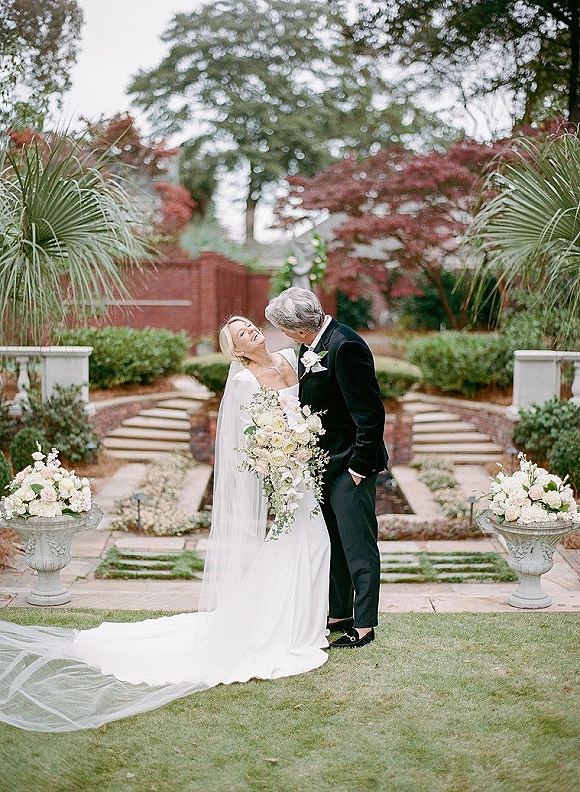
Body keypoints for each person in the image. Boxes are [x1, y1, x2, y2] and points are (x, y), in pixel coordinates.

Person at [0, 317, 330, 732]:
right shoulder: (245, 381)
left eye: (250, 324)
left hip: (309, 466)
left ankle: (305, 622)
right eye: (242, 332)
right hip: (285, 469)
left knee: (314, 540)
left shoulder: (291, 358)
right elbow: (248, 436)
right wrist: (277, 459)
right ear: (238, 351)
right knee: (303, 539)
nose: (252, 330)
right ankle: (287, 627)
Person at [265, 288, 389, 648]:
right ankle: (338, 613)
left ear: (298, 330)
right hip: (326, 462)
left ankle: (364, 625)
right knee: (334, 542)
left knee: (359, 545)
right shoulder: (313, 344)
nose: (284, 336)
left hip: (351, 463)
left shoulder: (345, 345)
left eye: (283, 329)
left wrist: (359, 467)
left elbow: (370, 413)